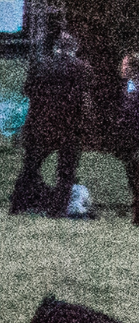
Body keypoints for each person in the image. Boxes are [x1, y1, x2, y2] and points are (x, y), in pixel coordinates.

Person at [11, 32, 91, 215]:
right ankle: (58, 209)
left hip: (40, 124)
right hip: (69, 126)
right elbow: (84, 100)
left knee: (30, 167)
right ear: (74, 48)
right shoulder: (82, 68)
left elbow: (28, 91)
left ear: (55, 47)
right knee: (65, 172)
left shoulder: (41, 65)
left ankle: (18, 205)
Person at [102, 51, 139, 226]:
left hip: (134, 135)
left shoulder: (134, 87)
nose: (121, 68)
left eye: (125, 65)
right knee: (133, 175)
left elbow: (131, 111)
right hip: (129, 136)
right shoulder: (128, 86)